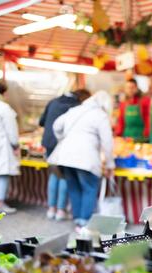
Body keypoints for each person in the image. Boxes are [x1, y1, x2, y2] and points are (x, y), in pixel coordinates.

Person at [48, 91, 115, 228]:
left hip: (65, 156)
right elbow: (107, 142)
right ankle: (84, 222)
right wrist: (109, 164)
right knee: (89, 188)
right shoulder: (100, 116)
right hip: (87, 158)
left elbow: (56, 126)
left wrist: (62, 139)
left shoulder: (74, 110)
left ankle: (77, 219)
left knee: (74, 188)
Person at [39, 89, 91, 220]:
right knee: (64, 176)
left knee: (53, 174)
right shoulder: (76, 107)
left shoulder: (53, 102)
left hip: (49, 143)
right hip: (65, 144)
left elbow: (41, 121)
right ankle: (61, 210)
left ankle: (51, 209)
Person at [0, 82, 19, 214]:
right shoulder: (3, 107)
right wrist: (15, 145)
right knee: (0, 175)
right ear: (2, 93)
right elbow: (12, 130)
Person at [114, 78, 151, 143]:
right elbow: (121, 121)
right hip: (126, 137)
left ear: (136, 88)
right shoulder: (123, 104)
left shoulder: (145, 101)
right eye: (128, 88)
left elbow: (148, 119)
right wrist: (117, 134)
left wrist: (147, 134)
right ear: (125, 89)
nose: (130, 90)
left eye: (132, 87)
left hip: (141, 138)